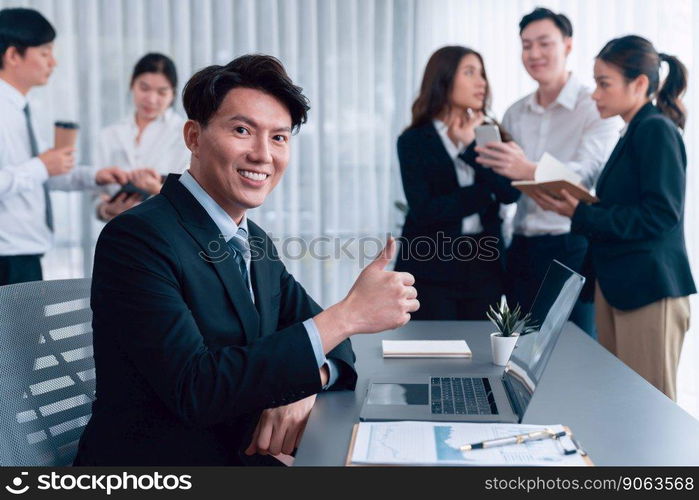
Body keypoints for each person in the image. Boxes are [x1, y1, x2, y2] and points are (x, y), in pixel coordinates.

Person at [73, 55, 419, 466]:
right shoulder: (138, 238)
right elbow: (196, 389)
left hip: (238, 451)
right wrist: (346, 314)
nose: (263, 154)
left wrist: (306, 385)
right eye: (242, 130)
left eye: (279, 138)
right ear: (194, 137)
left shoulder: (251, 240)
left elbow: (335, 349)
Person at [530, 35, 695, 401]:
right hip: (621, 286)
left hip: (647, 290)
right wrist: (578, 210)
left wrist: (580, 213)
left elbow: (660, 216)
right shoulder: (634, 130)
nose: (595, 94)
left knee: (649, 407)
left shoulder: (654, 129)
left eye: (604, 84)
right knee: (623, 402)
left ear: (638, 84)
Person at [476, 7, 619, 337]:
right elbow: (506, 187)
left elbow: (584, 177)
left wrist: (526, 168)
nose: (534, 53)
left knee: (575, 354)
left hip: (571, 245)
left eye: (544, 43)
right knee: (520, 348)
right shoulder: (515, 112)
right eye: (526, 45)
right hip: (522, 249)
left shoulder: (594, 106)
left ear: (567, 46)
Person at [0, 8, 127, 286]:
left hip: (24, 256)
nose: (53, 62)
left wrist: (94, 177)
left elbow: (45, 173)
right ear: (12, 55)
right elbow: (40, 169)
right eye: (44, 53)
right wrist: (41, 166)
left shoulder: (20, 107)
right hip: (7, 259)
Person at [394, 46, 520, 320]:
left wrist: (470, 146)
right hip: (432, 266)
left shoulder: (488, 133)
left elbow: (510, 193)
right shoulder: (413, 141)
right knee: (433, 356)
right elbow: (425, 210)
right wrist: (484, 193)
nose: (482, 82)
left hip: (484, 266)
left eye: (482, 74)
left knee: (478, 354)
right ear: (444, 78)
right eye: (470, 72)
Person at [96, 53, 189, 221]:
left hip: (164, 233)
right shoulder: (109, 134)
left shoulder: (186, 135)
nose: (151, 99)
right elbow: (96, 196)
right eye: (144, 88)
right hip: (117, 234)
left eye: (161, 92)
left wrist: (156, 189)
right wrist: (106, 210)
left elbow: (193, 202)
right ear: (132, 84)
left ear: (173, 93)